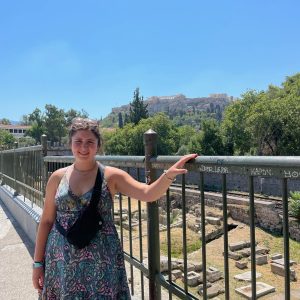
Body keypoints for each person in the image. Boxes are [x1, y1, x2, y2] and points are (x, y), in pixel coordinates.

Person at [32, 117, 197, 299]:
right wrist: (38, 263)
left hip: (101, 262)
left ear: (98, 144)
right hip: (61, 259)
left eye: (90, 142)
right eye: (78, 141)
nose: (84, 148)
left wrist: (169, 174)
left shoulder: (111, 176)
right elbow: (47, 221)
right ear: (70, 143)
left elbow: (148, 193)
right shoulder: (57, 177)